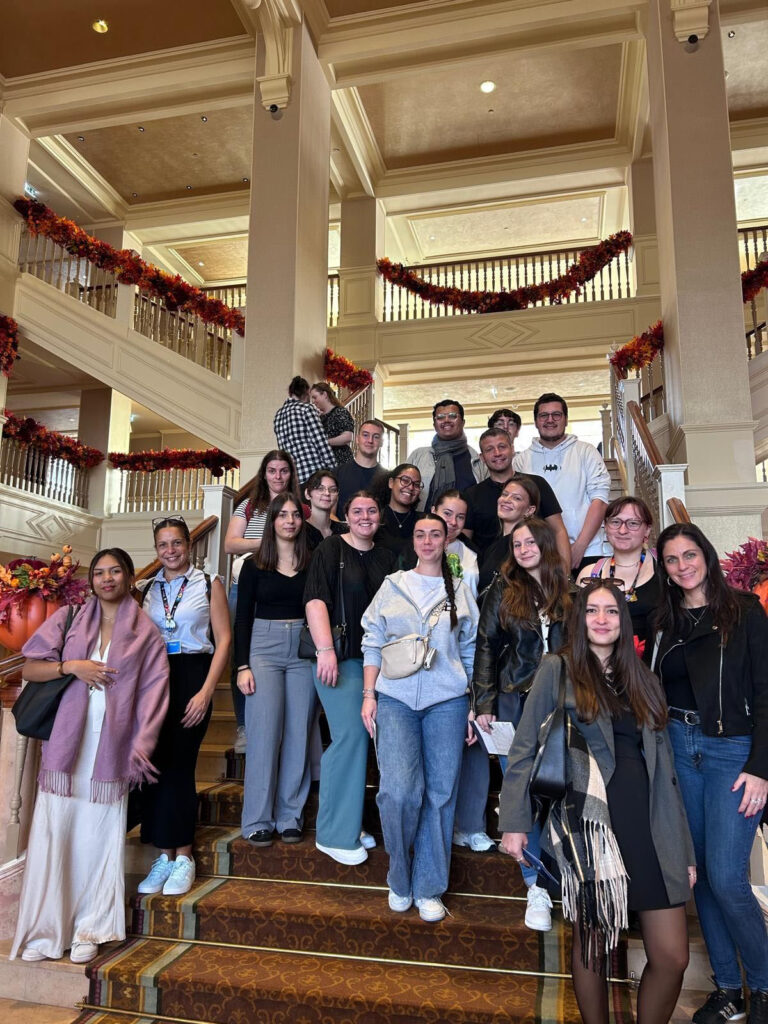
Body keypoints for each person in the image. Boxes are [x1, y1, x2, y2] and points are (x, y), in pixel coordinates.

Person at [500, 580, 695, 1024]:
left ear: (623, 622)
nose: (602, 619)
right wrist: (514, 823)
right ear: (579, 619)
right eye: (592, 611)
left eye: (611, 611)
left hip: (650, 825)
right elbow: (524, 748)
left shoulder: (643, 677)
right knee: (593, 952)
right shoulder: (558, 668)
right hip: (587, 825)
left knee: (672, 956)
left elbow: (667, 773)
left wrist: (683, 850)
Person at [11, 549, 169, 964]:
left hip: (111, 753)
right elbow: (29, 669)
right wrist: (71, 666)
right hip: (65, 750)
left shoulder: (146, 633)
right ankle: (48, 932)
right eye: (99, 572)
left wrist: (142, 745)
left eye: (115, 570)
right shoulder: (69, 618)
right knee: (55, 834)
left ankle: (90, 927)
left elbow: (155, 695)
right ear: (91, 580)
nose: (106, 578)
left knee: (97, 839)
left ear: (130, 577)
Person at [652, 523, 768, 1024]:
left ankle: (763, 985)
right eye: (672, 559)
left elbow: (766, 691)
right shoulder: (663, 619)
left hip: (731, 751)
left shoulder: (744, 610)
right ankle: (728, 991)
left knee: (727, 877)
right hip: (680, 748)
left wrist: (761, 767)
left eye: (689, 554)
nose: (682, 566)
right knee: (698, 879)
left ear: (706, 554)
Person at [361, 512, 479, 923]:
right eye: (421, 534)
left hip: (447, 700)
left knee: (440, 794)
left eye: (436, 534)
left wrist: (471, 705)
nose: (428, 541)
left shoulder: (461, 590)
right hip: (394, 699)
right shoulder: (393, 585)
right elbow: (372, 641)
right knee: (398, 792)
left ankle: (429, 886)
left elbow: (469, 650)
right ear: (412, 541)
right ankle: (400, 873)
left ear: (446, 540)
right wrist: (368, 695)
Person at [472, 518, 570, 929]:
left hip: (563, 702)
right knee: (522, 791)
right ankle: (536, 888)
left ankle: (565, 876)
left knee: (563, 787)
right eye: (517, 543)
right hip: (515, 699)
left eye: (531, 541)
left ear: (546, 545)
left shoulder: (571, 590)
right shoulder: (503, 588)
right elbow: (487, 645)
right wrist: (484, 700)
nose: (524, 548)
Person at [135, 516, 231, 897]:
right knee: (156, 763)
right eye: (163, 545)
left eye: (176, 543)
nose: (170, 551)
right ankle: (164, 855)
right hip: (155, 679)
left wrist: (207, 690)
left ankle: (184, 856)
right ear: (156, 550)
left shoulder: (208, 584)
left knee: (181, 764)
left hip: (194, 675)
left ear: (189, 546)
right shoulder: (145, 589)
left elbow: (223, 640)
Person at [304, 492, 397, 864]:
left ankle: (351, 821)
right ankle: (333, 835)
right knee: (350, 735)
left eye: (371, 510)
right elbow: (315, 600)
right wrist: (325, 649)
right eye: (357, 510)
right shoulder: (329, 549)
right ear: (345, 516)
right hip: (339, 658)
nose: (365, 516)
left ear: (380, 516)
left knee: (368, 738)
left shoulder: (388, 557)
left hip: (377, 661)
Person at [234, 494, 316, 845]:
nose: (289, 521)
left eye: (295, 515)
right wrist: (241, 666)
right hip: (262, 648)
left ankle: (289, 816)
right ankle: (257, 819)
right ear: (272, 522)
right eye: (282, 515)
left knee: (299, 733)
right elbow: (241, 620)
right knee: (264, 734)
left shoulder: (313, 561)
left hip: (302, 647)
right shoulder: (253, 565)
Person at [224, 449, 300, 752]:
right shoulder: (249, 506)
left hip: (281, 586)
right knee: (239, 652)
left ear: (290, 474)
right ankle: (244, 725)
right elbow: (230, 543)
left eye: (284, 470)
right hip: (245, 581)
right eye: (272, 470)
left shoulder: (297, 508)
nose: (278, 476)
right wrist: (270, 540)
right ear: (264, 473)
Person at [513, 393, 610, 571]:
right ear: (535, 421)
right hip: (539, 555)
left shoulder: (586, 452)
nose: (550, 420)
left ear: (565, 419)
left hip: (588, 551)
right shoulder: (521, 460)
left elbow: (600, 501)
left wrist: (579, 547)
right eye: (544, 415)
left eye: (556, 415)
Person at [463, 427, 570, 567]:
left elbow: (558, 531)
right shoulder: (471, 495)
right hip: (490, 577)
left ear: (512, 449)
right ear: (482, 457)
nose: (497, 453)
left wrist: (565, 577)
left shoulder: (537, 484)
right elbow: (464, 543)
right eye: (489, 449)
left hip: (538, 572)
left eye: (502, 447)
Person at [576, 497, 659, 650]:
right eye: (615, 522)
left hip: (653, 668)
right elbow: (578, 631)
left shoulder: (665, 570)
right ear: (605, 527)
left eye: (633, 523)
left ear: (647, 529)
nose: (622, 530)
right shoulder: (589, 575)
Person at [407, 399, 486, 511]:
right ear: (434, 425)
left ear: (463, 422)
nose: (446, 420)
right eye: (440, 417)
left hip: (467, 527)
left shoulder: (477, 460)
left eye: (452, 416)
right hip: (424, 524)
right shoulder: (418, 456)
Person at [477, 476, 539, 595]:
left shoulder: (531, 547)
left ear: (529, 510)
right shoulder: (491, 547)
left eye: (517, 498)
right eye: (505, 494)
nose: (507, 500)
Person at [273, 375, 335, 484]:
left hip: (294, 477)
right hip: (314, 472)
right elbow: (320, 442)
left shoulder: (278, 415)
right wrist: (334, 469)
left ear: (290, 393)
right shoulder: (306, 409)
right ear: (306, 393)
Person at [335, 419, 390, 513]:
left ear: (382, 442)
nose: (370, 440)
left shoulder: (388, 478)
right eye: (365, 435)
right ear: (357, 439)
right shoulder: (337, 473)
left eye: (376, 437)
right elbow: (330, 512)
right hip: (342, 526)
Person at [375, 463, 423, 558]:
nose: (411, 487)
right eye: (405, 481)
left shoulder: (423, 521)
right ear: (391, 483)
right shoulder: (375, 518)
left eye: (416, 485)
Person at [310, 382, 355, 467]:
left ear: (324, 395)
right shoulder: (319, 417)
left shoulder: (340, 412)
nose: (313, 401)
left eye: (315, 397)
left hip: (340, 461)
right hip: (325, 464)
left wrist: (324, 443)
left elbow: (347, 437)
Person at [303, 469, 348, 549]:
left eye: (333, 490)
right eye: (320, 489)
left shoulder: (344, 531)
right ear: (307, 494)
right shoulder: (300, 531)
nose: (327, 493)